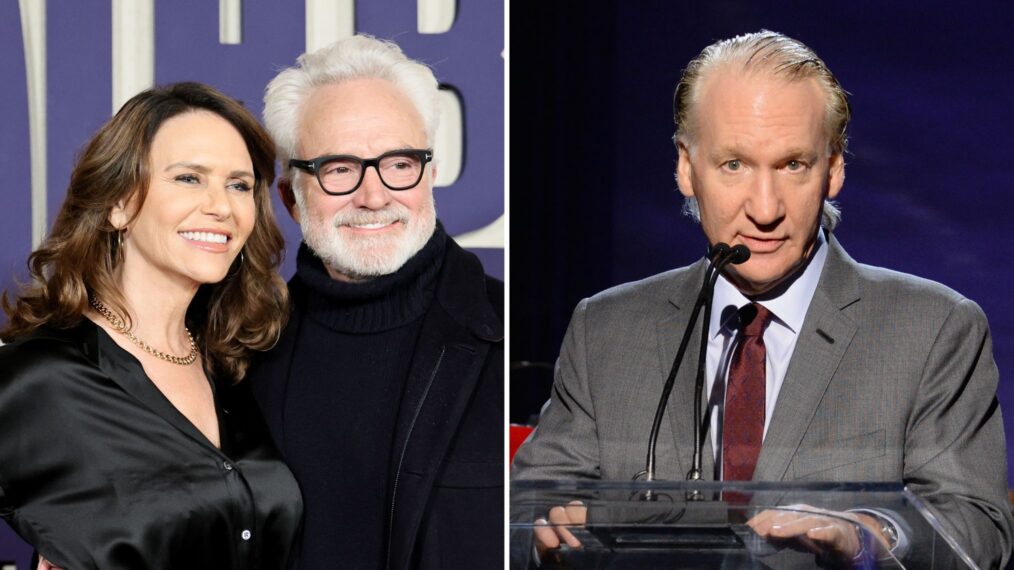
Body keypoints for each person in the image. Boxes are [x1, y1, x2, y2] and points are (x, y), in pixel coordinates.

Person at [511, 30, 1013, 568]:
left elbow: (977, 532)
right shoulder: (606, 329)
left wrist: (869, 535)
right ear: (686, 167)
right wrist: (547, 536)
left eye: (792, 164)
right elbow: (524, 512)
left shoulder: (933, 330)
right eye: (734, 165)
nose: (766, 208)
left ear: (834, 168)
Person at [0, 82, 302, 569]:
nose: (221, 206)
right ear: (119, 202)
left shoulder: (239, 369)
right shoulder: (35, 379)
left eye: (239, 185)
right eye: (189, 178)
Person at [248, 35, 503, 570]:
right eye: (339, 168)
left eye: (399, 163)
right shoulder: (241, 352)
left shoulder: (514, 332)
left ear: (429, 174)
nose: (374, 195)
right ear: (291, 197)